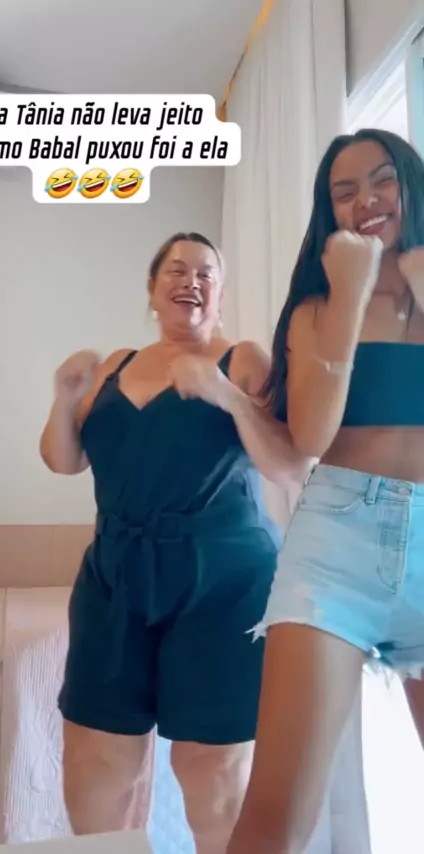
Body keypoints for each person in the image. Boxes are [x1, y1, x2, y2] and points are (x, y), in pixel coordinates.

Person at [39, 231, 308, 853]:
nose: (192, 280)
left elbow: (292, 465)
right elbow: (63, 460)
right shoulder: (115, 365)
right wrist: (63, 399)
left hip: (224, 584)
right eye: (177, 270)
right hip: (115, 577)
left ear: (221, 293)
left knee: (212, 774)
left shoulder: (244, 360)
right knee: (96, 765)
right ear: (152, 288)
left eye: (207, 273)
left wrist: (226, 395)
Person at [226, 129, 424, 854]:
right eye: (345, 191)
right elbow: (309, 436)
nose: (366, 199)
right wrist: (348, 296)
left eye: (381, 179)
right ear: (330, 211)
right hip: (336, 546)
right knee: (276, 821)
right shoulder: (317, 307)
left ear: (410, 183)